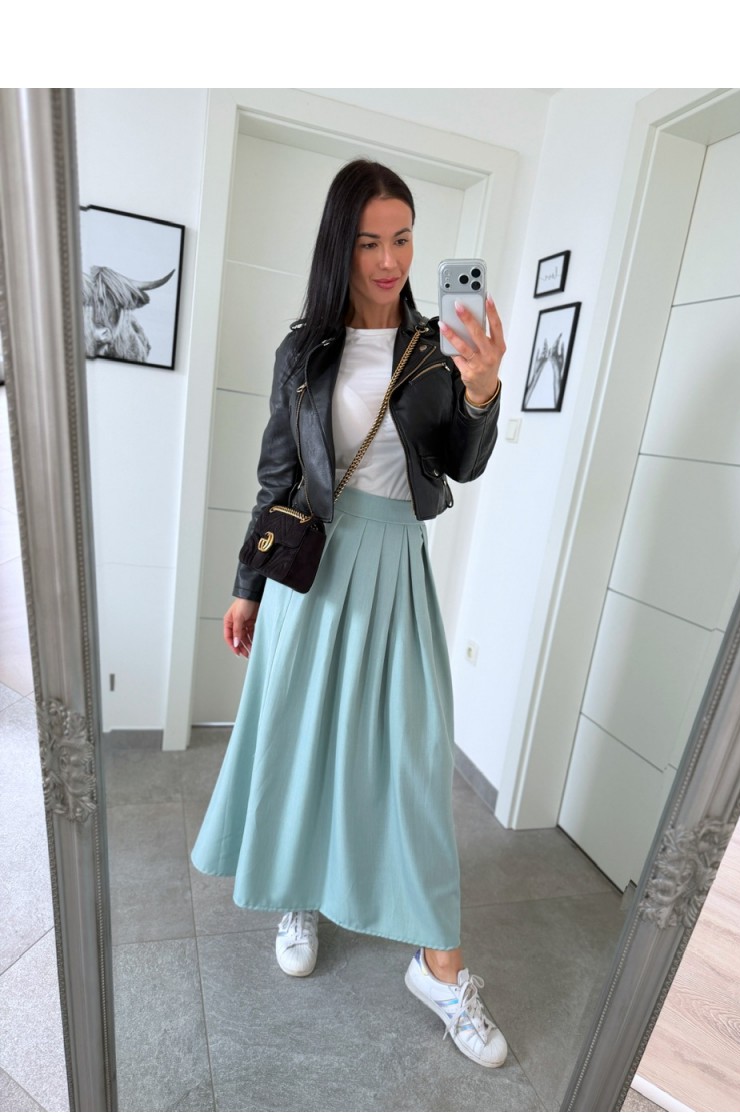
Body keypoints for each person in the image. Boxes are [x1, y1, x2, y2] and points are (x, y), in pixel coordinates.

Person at [191, 159, 508, 1069]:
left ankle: (439, 968)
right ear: (341, 245)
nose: (390, 259)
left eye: (402, 238)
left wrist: (481, 389)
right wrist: (246, 585)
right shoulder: (303, 351)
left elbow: (461, 462)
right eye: (370, 241)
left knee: (413, 762)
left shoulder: (436, 348)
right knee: (297, 744)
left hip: (396, 565)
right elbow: (278, 475)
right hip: (313, 571)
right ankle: (298, 894)